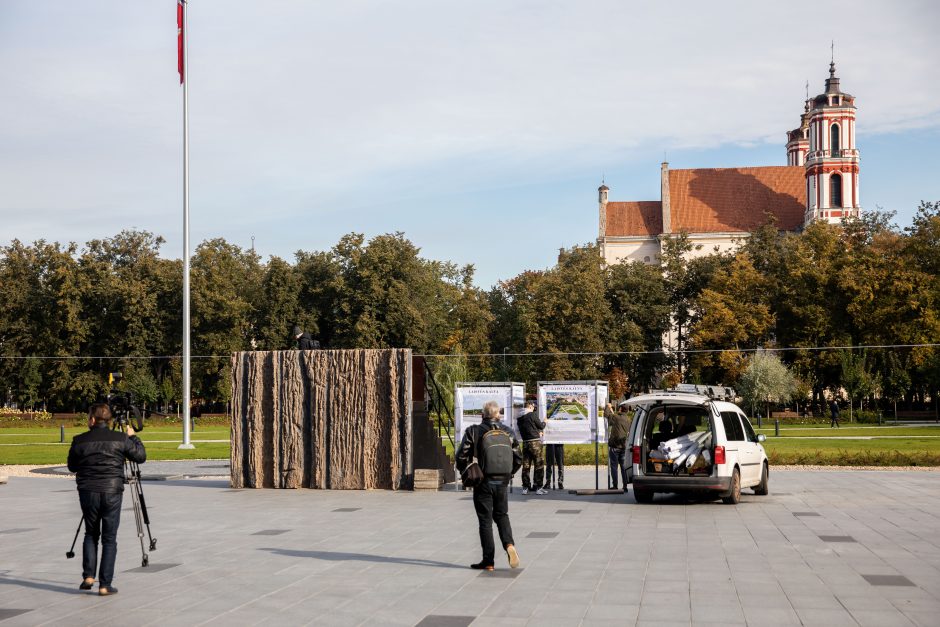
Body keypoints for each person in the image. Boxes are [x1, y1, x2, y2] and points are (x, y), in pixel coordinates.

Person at [67, 403, 147, 596]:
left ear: (92, 420)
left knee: (91, 533)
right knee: (109, 538)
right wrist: (133, 437)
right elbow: (141, 457)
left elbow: (72, 466)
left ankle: (88, 576)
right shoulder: (120, 439)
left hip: (88, 491)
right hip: (112, 491)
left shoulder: (79, 440)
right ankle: (105, 584)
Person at [455, 400, 523, 571]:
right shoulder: (508, 432)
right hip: (502, 481)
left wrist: (469, 471)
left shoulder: (474, 431)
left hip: (483, 481)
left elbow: (461, 456)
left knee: (485, 520)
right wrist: (509, 473)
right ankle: (509, 545)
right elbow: (518, 458)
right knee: (502, 515)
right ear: (499, 415)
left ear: (482, 415)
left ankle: (488, 561)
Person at [516, 400, 546, 495]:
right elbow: (540, 425)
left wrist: (536, 431)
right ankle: (538, 487)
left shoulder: (519, 418)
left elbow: (529, 427)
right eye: (533, 406)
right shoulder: (532, 415)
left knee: (526, 466)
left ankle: (525, 487)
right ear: (530, 406)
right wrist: (544, 422)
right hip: (535, 443)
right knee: (539, 465)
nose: (534, 408)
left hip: (525, 443)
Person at [607, 402, 631, 492]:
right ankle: (625, 486)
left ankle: (615, 485)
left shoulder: (616, 417)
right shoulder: (628, 420)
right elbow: (615, 418)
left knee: (614, 466)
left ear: (620, 409)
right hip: (623, 446)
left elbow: (606, 415)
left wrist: (608, 406)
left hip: (615, 446)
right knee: (623, 467)